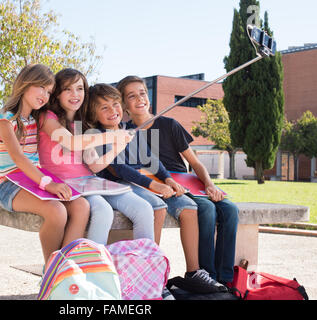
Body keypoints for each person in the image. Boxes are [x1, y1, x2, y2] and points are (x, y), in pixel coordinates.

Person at [85, 83, 226, 293]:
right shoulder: (98, 135)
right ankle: (149, 275)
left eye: (115, 104)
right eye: (104, 108)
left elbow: (151, 159)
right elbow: (118, 169)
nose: (112, 111)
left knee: (183, 207)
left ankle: (177, 273)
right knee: (157, 208)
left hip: (136, 182)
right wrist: (154, 185)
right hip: (118, 184)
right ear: (94, 114)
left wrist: (167, 179)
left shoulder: (129, 131)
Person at [117, 75, 239, 286]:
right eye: (132, 96)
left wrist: (210, 185)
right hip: (159, 185)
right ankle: (205, 275)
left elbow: (195, 162)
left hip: (187, 181)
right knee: (207, 210)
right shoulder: (124, 133)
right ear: (124, 104)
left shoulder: (170, 125)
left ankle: (225, 279)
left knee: (230, 209)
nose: (140, 99)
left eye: (143, 93)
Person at [39, 68, 155, 245]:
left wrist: (116, 148)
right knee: (103, 211)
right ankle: (93, 268)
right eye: (67, 89)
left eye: (79, 88)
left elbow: (93, 166)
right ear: (57, 94)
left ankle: (144, 267)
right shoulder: (47, 118)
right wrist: (113, 136)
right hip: (65, 184)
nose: (75, 94)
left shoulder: (83, 123)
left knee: (144, 209)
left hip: (89, 182)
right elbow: (70, 142)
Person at [0, 64, 90, 264]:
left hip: (33, 180)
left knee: (81, 206)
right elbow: (19, 158)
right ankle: (52, 271)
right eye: (41, 88)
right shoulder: (5, 119)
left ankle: (64, 268)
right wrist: (49, 184)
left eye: (49, 91)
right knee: (57, 211)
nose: (45, 95)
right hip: (9, 184)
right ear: (25, 84)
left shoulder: (35, 120)